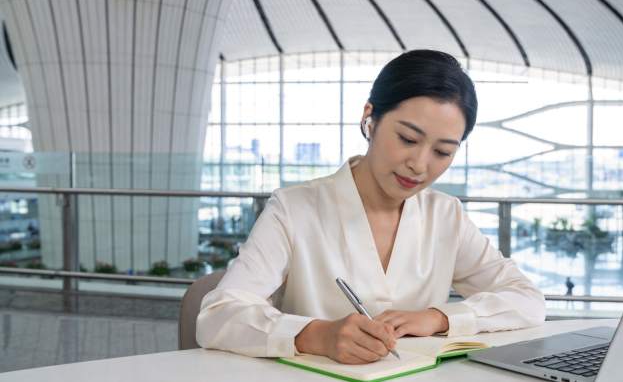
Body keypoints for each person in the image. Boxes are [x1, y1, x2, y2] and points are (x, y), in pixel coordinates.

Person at [196, 50, 546, 364]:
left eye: (442, 152)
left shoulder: (446, 215)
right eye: (407, 139)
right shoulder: (294, 209)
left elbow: (527, 299)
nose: (420, 165)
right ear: (370, 118)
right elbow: (218, 315)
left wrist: (440, 317)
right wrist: (316, 335)